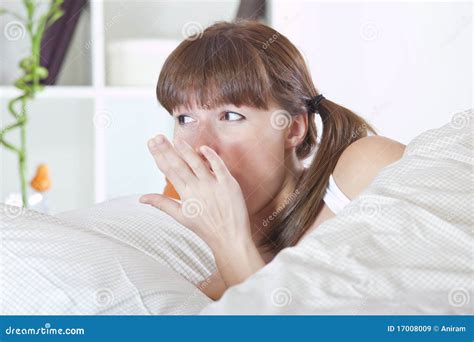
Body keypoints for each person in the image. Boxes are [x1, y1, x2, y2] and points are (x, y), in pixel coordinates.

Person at [140, 20, 405, 300]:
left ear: (292, 129)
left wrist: (228, 240)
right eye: (185, 118)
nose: (200, 144)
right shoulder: (217, 288)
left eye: (230, 116)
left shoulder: (366, 169)